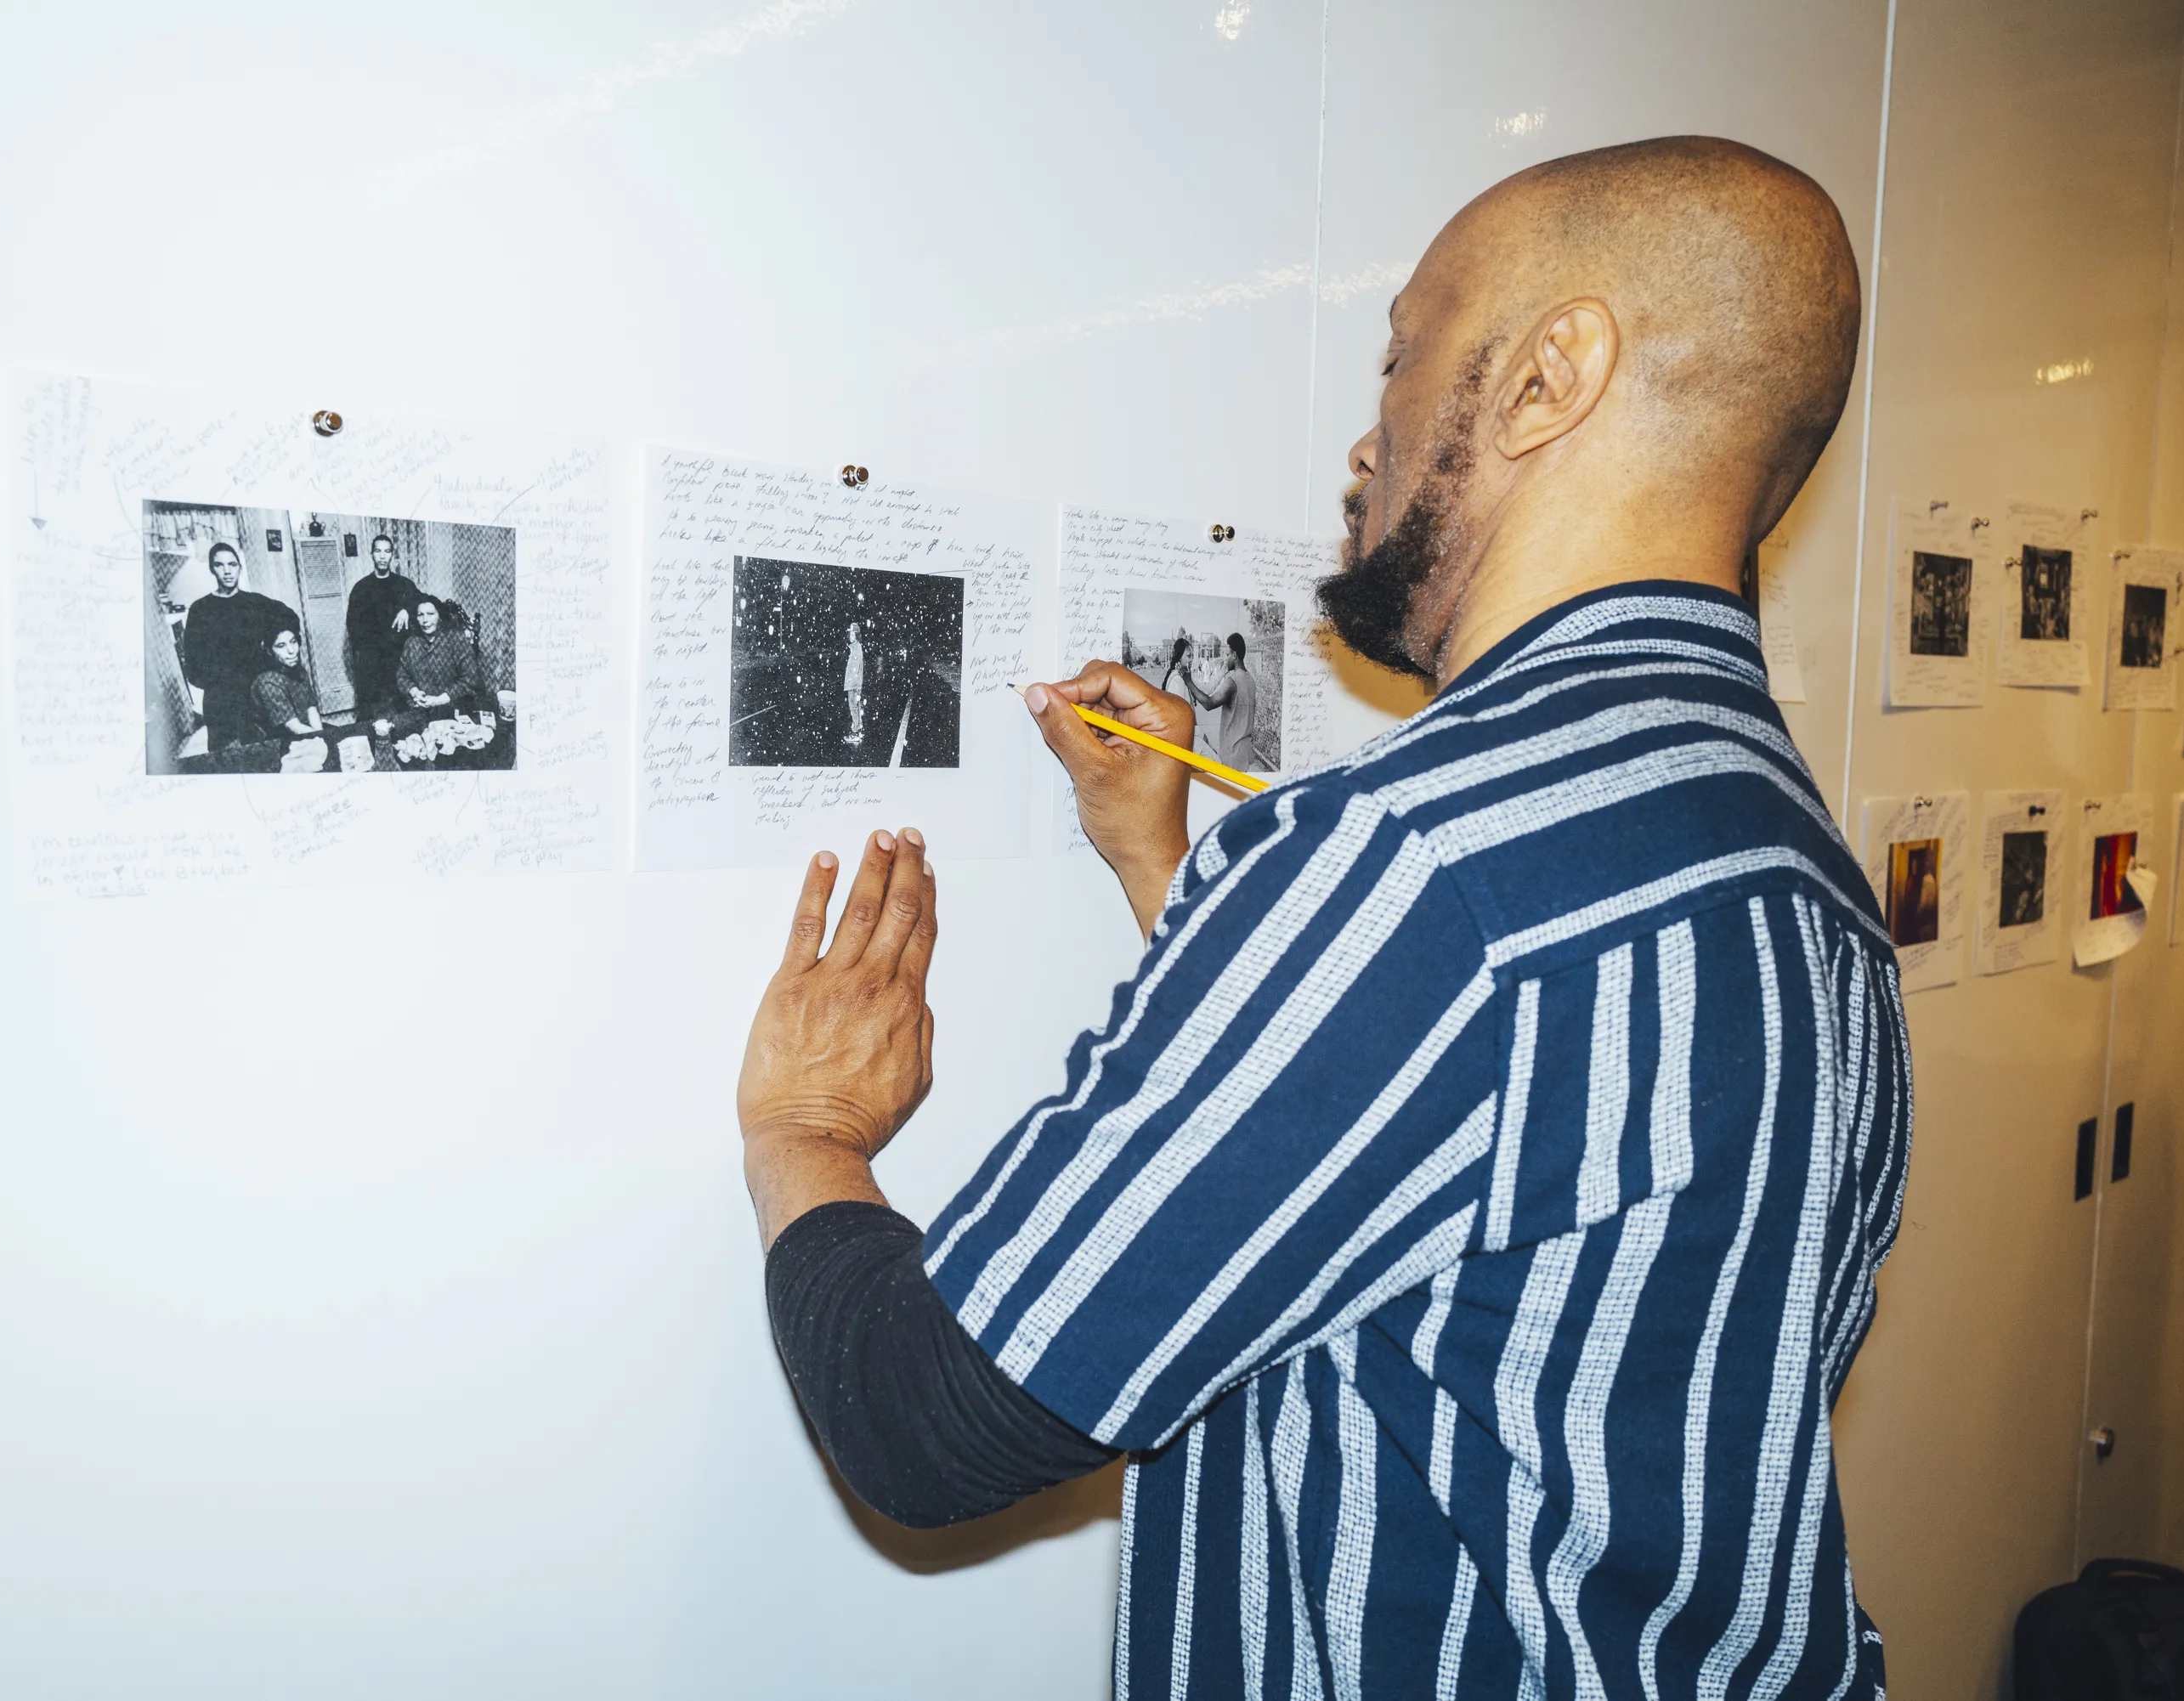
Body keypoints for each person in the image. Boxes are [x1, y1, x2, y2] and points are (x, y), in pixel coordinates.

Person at [736, 136, 1907, 1698]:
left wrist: (808, 1126)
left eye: (1408, 354)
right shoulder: (1792, 848)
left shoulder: (1418, 858)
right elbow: (1451, 1205)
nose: (1367, 441)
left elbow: (934, 1412)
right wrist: (1174, 876)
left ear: (1552, 377)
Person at [178, 542, 297, 758]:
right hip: (221, 698)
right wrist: (217, 681)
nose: (227, 571)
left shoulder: (255, 602)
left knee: (270, 754)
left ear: (240, 567)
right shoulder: (200, 609)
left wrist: (274, 658)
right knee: (228, 760)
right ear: (212, 569)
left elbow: (289, 618)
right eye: (220, 565)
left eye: (232, 564)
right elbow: (193, 664)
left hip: (256, 694)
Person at [344, 534, 422, 718]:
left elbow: (424, 602)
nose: (382, 556)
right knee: (373, 714)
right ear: (371, 554)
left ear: (392, 555)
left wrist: (407, 610)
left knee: (403, 712)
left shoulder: (404, 584)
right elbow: (353, 627)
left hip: (400, 658)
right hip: (372, 661)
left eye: (387, 551)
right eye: (378, 551)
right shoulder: (361, 588)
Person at [393, 596, 485, 733]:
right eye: (420, 615)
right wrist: (414, 692)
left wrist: (439, 700)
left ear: (440, 616)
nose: (425, 620)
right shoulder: (412, 643)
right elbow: (402, 676)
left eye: (431, 614)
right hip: (419, 709)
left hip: (453, 709)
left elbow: (470, 679)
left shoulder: (456, 640)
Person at [1181, 630, 1263, 771]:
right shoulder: (1251, 680)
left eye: (1227, 655)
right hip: (1244, 752)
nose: (1225, 659)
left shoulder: (1232, 681)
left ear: (1235, 655)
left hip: (1231, 753)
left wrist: (1189, 682)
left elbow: (1209, 703)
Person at [251, 627, 329, 771]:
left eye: (293, 642)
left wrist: (320, 735)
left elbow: (311, 708)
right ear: (269, 651)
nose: (292, 651)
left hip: (306, 733)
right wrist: (319, 739)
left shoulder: (299, 670)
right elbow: (293, 726)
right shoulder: (267, 682)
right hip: (279, 743)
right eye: (281, 646)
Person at [843, 621, 867, 747]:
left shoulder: (857, 649)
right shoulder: (855, 648)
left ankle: (856, 732)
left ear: (857, 635)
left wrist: (851, 686)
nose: (850, 636)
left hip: (853, 685)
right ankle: (859, 729)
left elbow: (855, 670)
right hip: (854, 685)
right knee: (856, 707)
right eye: (850, 634)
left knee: (853, 707)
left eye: (852, 634)